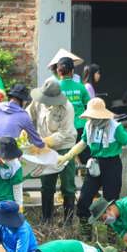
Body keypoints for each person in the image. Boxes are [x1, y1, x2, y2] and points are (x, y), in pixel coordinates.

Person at [58, 98, 127, 239]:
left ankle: (113, 235)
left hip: (112, 166)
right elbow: (83, 143)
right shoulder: (89, 126)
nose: (92, 119)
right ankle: (86, 234)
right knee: (84, 199)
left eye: (95, 116)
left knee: (111, 202)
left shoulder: (115, 127)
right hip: (95, 165)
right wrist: (68, 155)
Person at [27, 79, 78, 224]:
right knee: (47, 185)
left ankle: (68, 221)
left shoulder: (67, 108)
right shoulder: (37, 102)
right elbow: (28, 116)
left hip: (64, 148)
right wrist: (25, 129)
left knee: (67, 185)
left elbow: (64, 134)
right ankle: (46, 219)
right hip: (43, 148)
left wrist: (44, 141)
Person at [0, 84, 46, 150]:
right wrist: (45, 146)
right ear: (23, 101)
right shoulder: (23, 116)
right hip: (5, 153)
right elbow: (37, 141)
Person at [56, 57, 89, 142]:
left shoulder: (54, 88)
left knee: (66, 154)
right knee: (82, 153)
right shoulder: (81, 87)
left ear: (58, 71)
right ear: (72, 71)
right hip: (81, 127)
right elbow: (88, 107)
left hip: (62, 129)